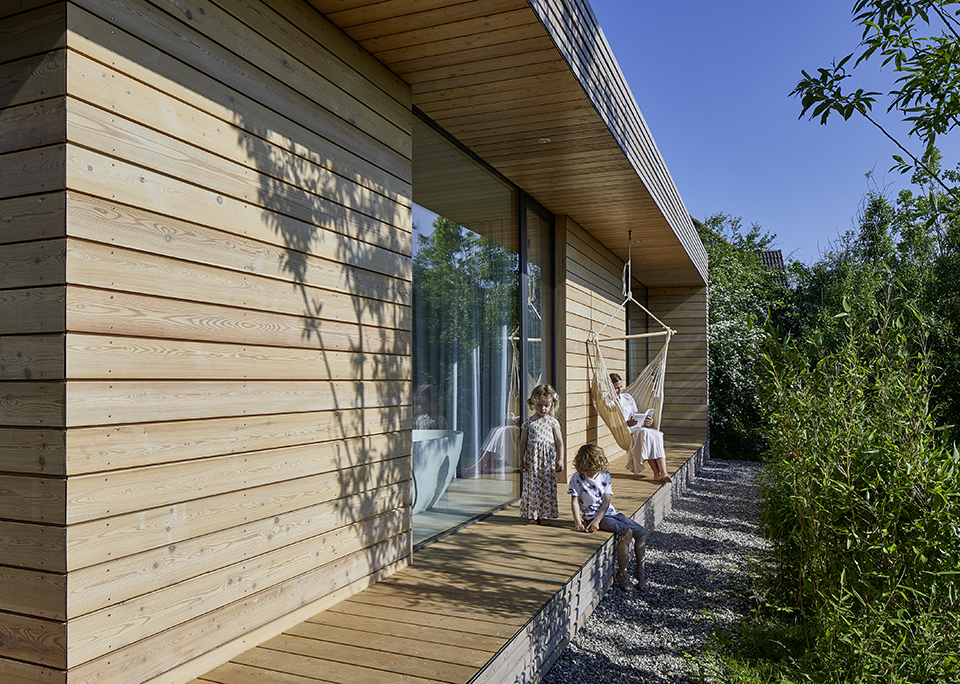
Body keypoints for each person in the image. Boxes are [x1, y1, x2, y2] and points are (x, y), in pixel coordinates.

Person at [568, 443, 647, 593]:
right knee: (626, 532)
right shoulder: (577, 478)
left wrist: (599, 519)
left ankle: (640, 571)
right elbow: (574, 501)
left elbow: (606, 501)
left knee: (641, 532)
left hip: (608, 512)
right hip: (591, 516)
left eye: (592, 470)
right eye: (586, 470)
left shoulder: (605, 476)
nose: (589, 473)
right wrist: (578, 522)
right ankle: (622, 574)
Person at [609, 372, 672, 483]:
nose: (620, 391)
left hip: (638, 427)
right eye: (616, 388)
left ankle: (663, 472)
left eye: (621, 387)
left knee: (657, 434)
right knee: (645, 434)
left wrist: (646, 421)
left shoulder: (627, 397)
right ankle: (657, 473)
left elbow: (636, 413)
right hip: (626, 431)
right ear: (610, 388)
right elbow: (613, 421)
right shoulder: (609, 402)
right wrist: (626, 423)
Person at [518, 383, 565, 525]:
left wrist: (561, 458)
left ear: (552, 405)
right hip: (533, 461)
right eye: (539, 405)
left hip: (547, 462)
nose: (543, 408)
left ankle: (545, 514)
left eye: (546, 405)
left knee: (546, 486)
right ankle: (533, 514)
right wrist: (521, 458)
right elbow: (523, 442)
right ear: (533, 403)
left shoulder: (553, 422)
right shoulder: (528, 422)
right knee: (533, 486)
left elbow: (559, 442)